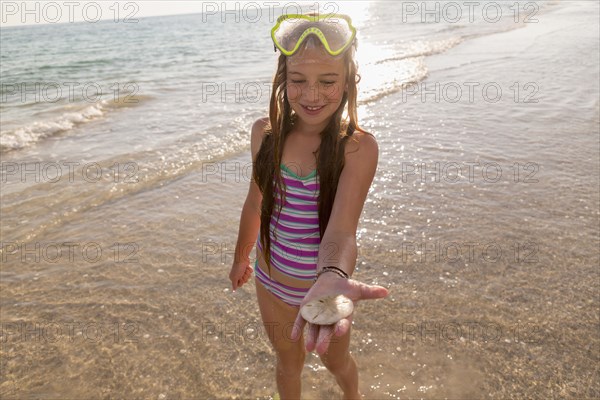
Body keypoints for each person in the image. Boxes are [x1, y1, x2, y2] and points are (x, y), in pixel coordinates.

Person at [229, 13, 389, 400]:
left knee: (336, 363)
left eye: (328, 82)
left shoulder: (357, 148)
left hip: (324, 289)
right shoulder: (264, 134)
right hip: (270, 282)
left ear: (349, 79)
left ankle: (353, 396)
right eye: (298, 81)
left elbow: (342, 230)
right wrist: (240, 257)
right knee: (288, 364)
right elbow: (255, 203)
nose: (312, 95)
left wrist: (333, 273)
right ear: (283, 79)